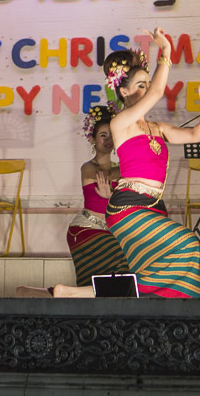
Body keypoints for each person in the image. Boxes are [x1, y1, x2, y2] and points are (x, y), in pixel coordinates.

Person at [103, 29, 200, 298]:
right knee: (188, 244)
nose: (147, 89)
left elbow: (194, 135)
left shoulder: (157, 128)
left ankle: (75, 294)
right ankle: (101, 295)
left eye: (147, 83)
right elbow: (156, 93)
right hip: (128, 208)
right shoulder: (120, 124)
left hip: (153, 208)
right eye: (140, 85)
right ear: (124, 91)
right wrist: (166, 52)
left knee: (183, 264)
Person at [57, 105, 131, 296]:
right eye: (103, 135)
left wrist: (112, 195)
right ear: (92, 139)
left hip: (109, 230)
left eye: (111, 135)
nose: (108, 140)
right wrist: (115, 194)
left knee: (116, 278)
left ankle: (47, 292)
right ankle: (65, 294)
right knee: (120, 263)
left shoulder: (122, 169)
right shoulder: (88, 167)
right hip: (85, 230)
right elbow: (101, 176)